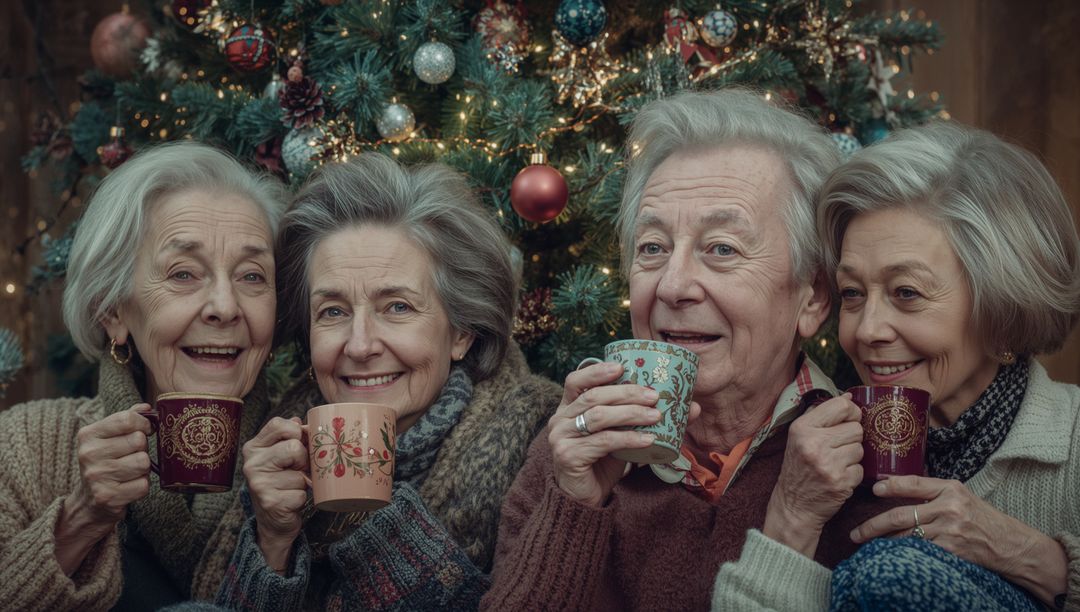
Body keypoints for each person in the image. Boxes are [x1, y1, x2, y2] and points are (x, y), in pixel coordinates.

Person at [483, 89, 901, 611]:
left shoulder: (869, 463)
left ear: (812, 296)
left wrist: (794, 516)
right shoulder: (569, 447)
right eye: (653, 248)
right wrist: (574, 505)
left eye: (722, 249)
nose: (673, 285)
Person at [714, 121, 1080, 611]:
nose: (867, 331)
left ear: (1001, 303)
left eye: (907, 292)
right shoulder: (810, 456)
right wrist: (792, 517)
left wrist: (1033, 557)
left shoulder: (1072, 446)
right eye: (853, 294)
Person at [212, 153, 563, 610]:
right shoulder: (274, 447)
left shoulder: (543, 447)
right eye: (333, 312)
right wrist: (273, 540)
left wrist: (369, 513)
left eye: (397, 307)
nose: (359, 346)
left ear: (461, 332)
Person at [0, 141, 286, 611]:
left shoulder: (319, 465)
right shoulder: (26, 448)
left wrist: (278, 541)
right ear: (112, 311)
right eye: (183, 274)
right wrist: (82, 519)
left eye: (252, 276)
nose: (224, 307)